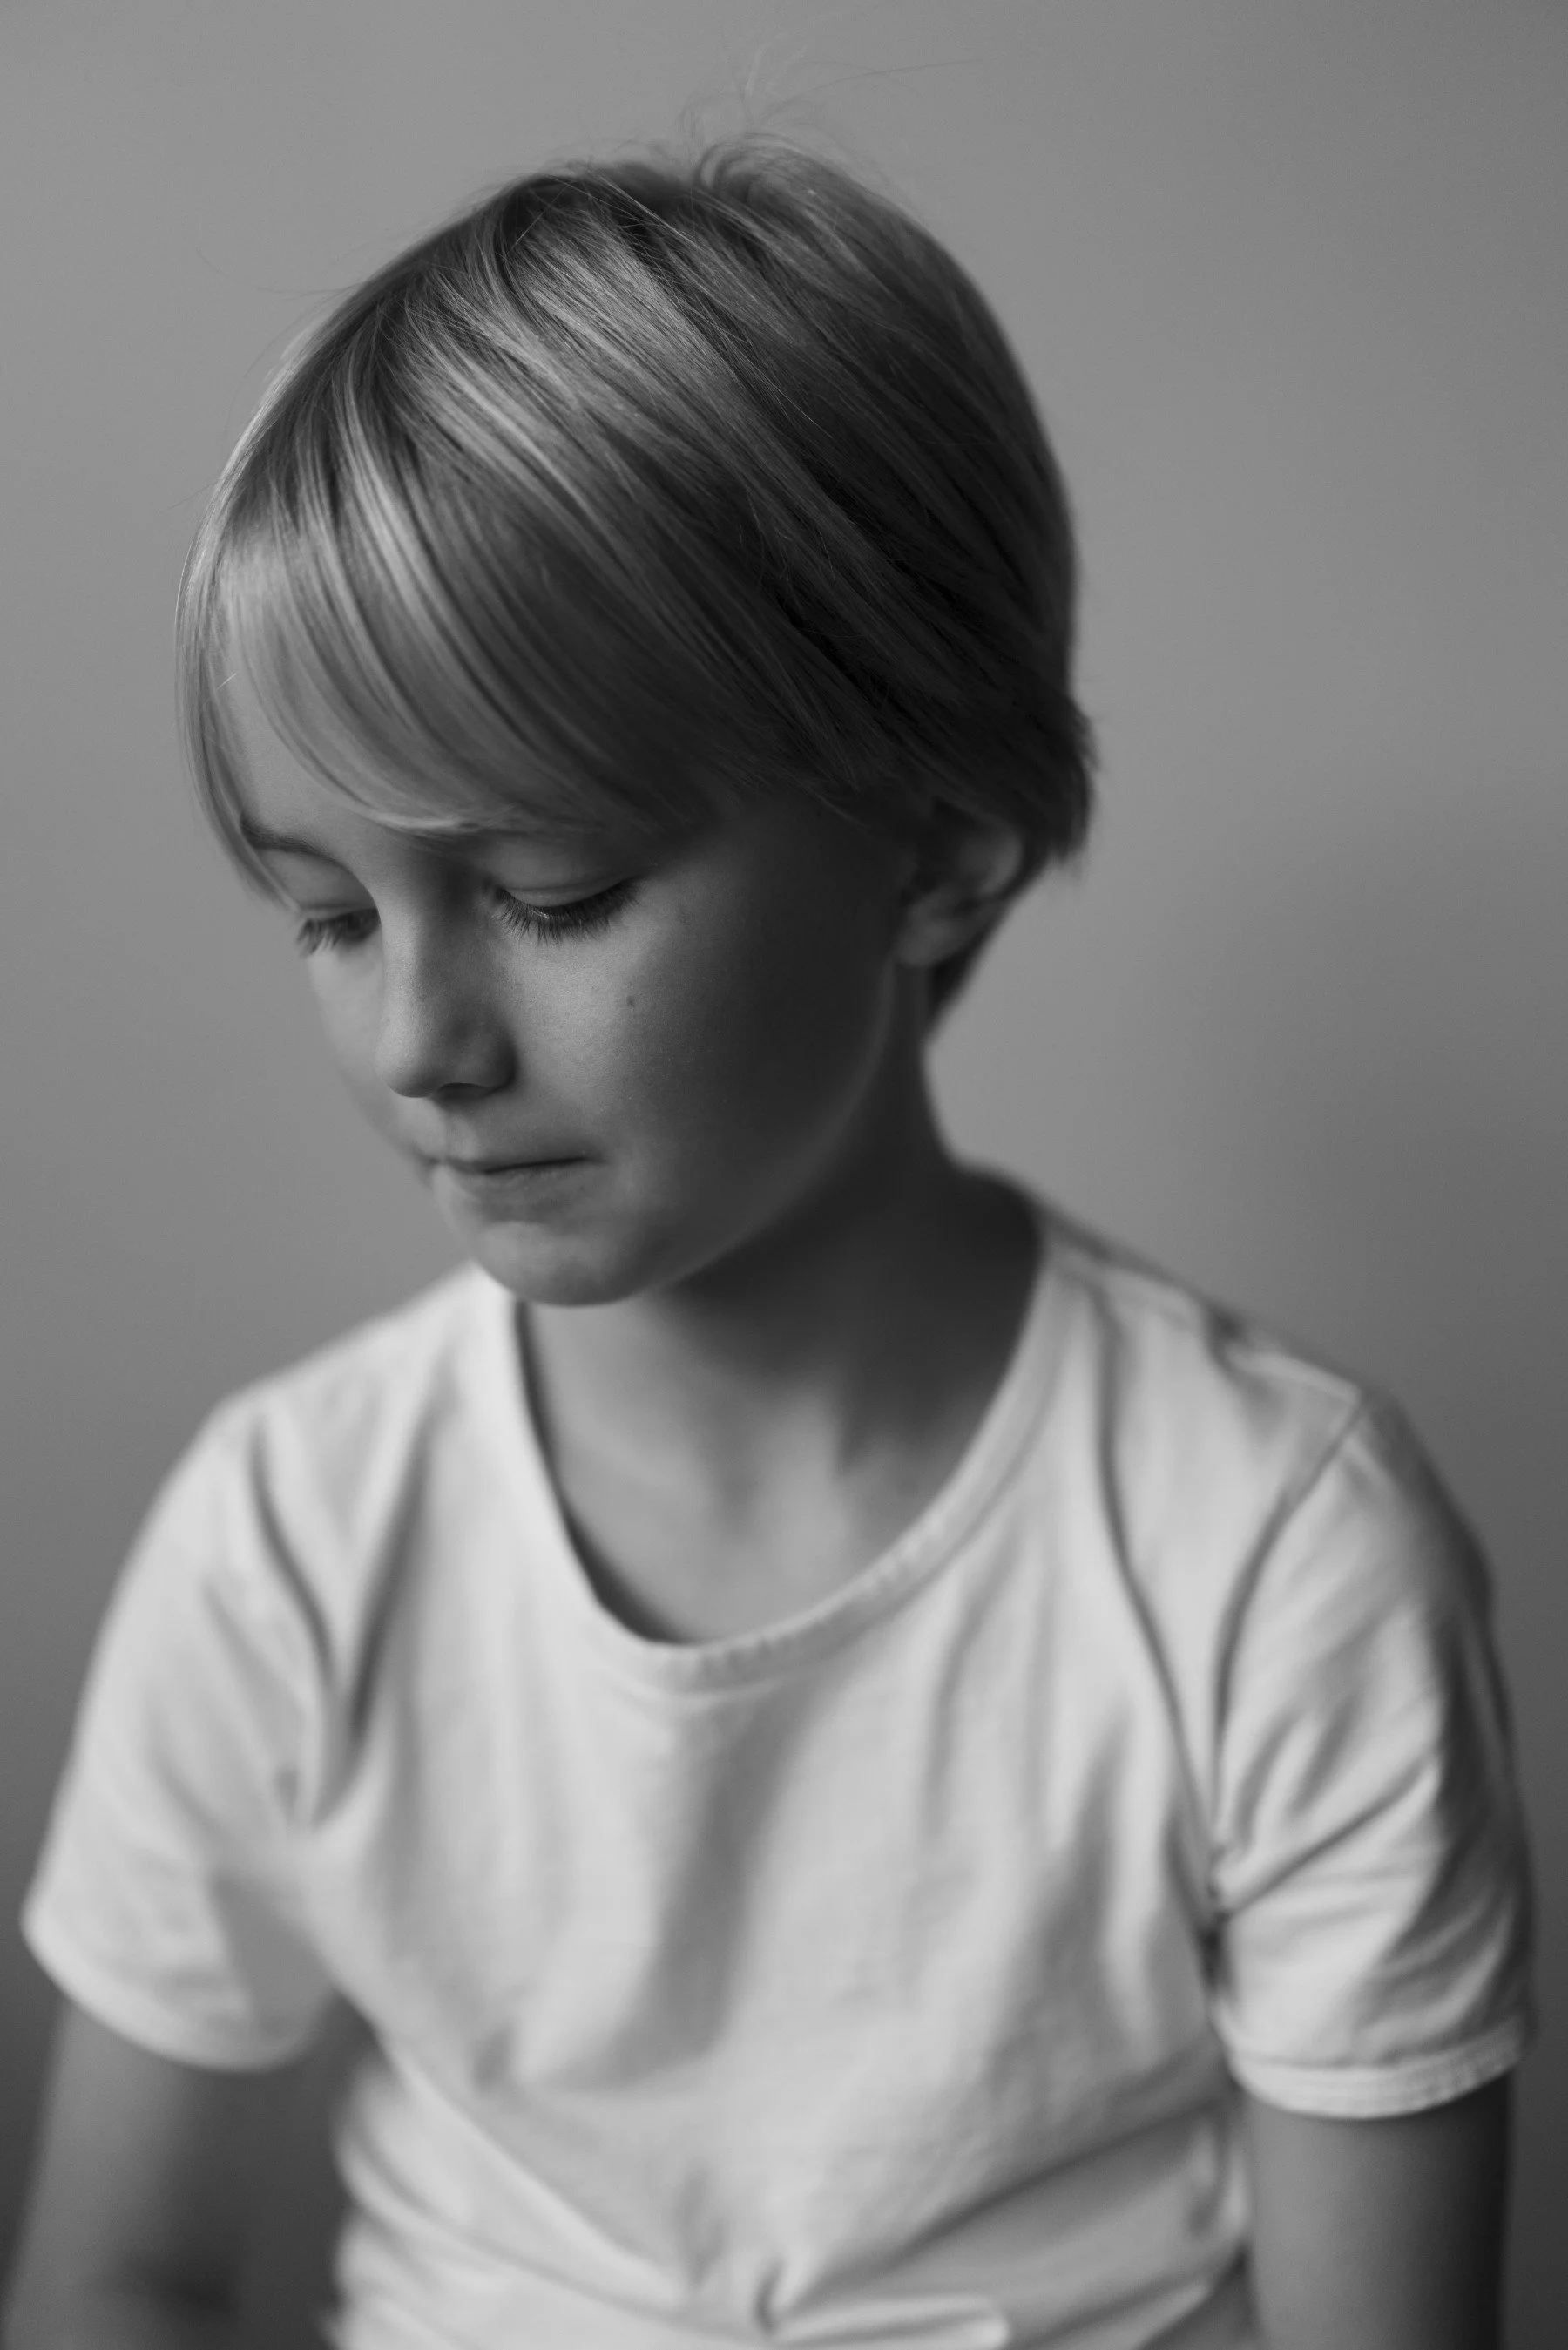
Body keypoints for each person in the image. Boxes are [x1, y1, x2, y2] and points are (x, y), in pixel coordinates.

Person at [3, 139, 1532, 2350]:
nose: (420, 1037)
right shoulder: (288, 1544)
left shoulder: (1277, 1558)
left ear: (938, 852)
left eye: (549, 896)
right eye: (326, 913)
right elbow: (119, 2281)